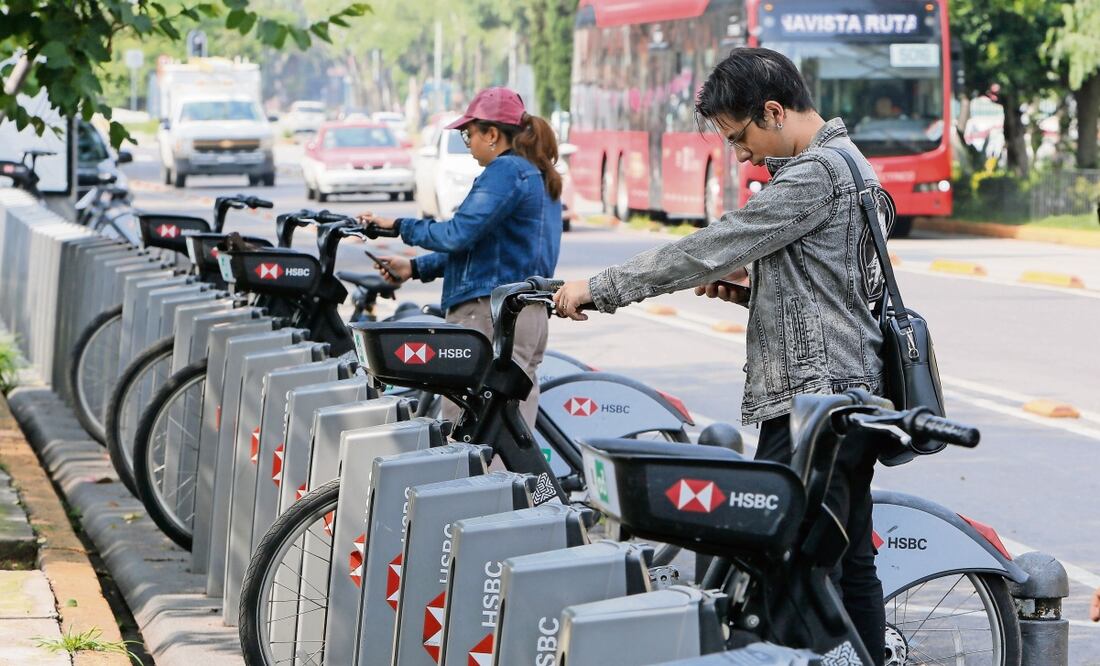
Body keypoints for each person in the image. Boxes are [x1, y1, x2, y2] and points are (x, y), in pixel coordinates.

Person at [553, 47, 893, 664]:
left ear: (773, 110)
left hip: (813, 405)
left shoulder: (815, 175)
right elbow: (834, 292)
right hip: (849, 393)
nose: (741, 156)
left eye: (741, 138)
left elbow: (705, 249)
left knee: (786, 566)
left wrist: (597, 290)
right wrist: (754, 293)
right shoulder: (854, 163)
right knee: (846, 565)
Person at [358, 87, 563, 427]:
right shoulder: (534, 172)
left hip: (490, 316)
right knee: (507, 431)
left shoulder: (506, 171)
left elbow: (457, 234)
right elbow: (483, 249)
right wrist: (414, 267)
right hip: (524, 315)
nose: (469, 147)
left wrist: (397, 226)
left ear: (493, 134)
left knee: (471, 435)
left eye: (469, 136)